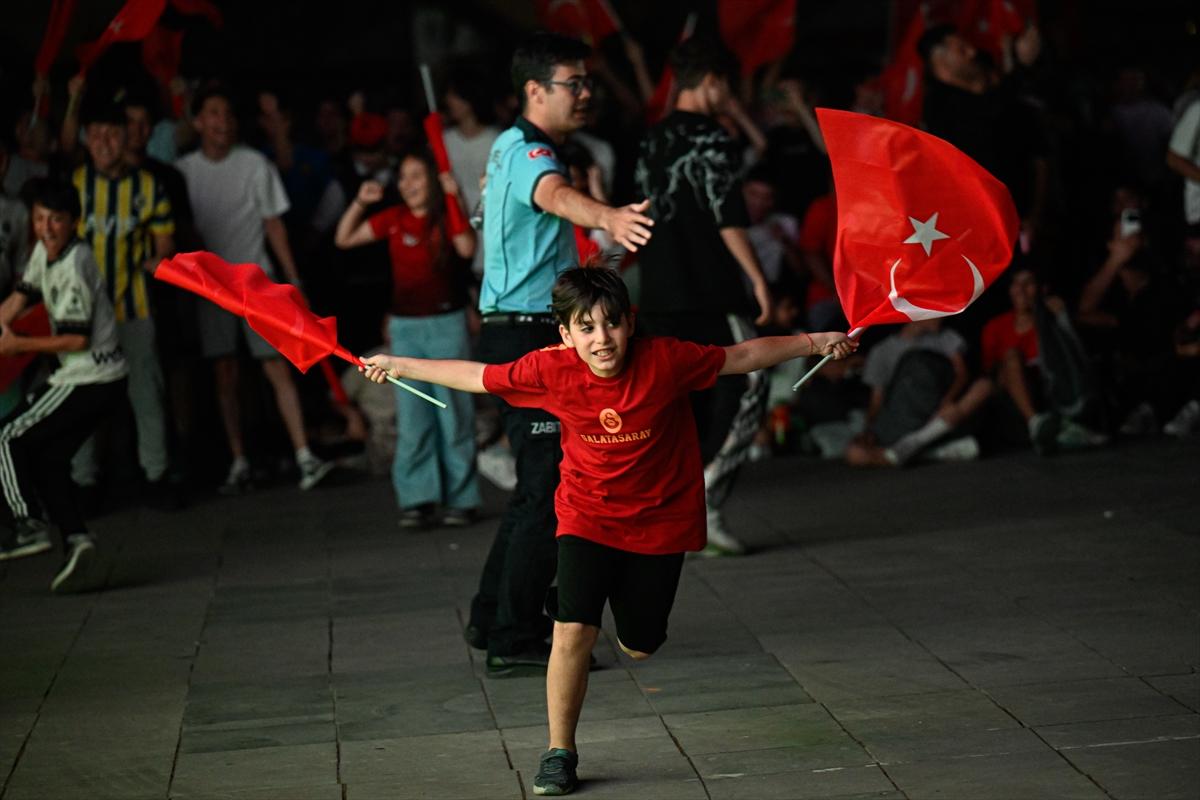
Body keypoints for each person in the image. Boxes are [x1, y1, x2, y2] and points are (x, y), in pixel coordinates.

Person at [359, 266, 856, 796]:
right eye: (586, 328)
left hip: (660, 521)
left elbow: (743, 356)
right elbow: (478, 375)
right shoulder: (550, 369)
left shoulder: (666, 360)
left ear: (630, 323)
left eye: (612, 324)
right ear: (565, 335)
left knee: (641, 645)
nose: (602, 339)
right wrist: (397, 364)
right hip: (586, 514)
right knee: (573, 630)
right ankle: (559, 752)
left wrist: (815, 341)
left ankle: (592, 598)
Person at [466, 31, 655, 678]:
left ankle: (491, 616)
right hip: (526, 333)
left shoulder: (509, 145)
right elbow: (554, 195)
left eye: (585, 82)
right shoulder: (531, 153)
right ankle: (514, 635)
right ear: (535, 90)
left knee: (538, 487)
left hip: (521, 327)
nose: (585, 93)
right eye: (573, 83)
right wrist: (607, 216)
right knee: (548, 491)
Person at [634, 36, 773, 556]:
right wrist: (756, 277)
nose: (729, 99)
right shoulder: (714, 137)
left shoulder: (651, 138)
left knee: (677, 402)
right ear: (712, 82)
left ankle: (672, 511)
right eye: (727, 88)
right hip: (711, 288)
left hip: (660, 290)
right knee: (752, 381)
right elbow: (727, 214)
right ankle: (706, 501)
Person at [174, 84, 332, 493]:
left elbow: (273, 225)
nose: (222, 122)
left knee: (276, 365)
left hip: (256, 282)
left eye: (227, 113)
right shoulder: (183, 171)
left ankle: (304, 455)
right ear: (197, 122)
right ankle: (239, 460)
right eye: (213, 113)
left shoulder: (255, 164)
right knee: (224, 372)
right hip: (212, 287)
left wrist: (293, 280)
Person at [335, 150, 480, 527]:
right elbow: (344, 238)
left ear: (432, 179)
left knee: (453, 412)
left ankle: (461, 499)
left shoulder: (445, 215)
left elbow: (467, 248)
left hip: (447, 324)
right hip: (405, 328)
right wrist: (360, 202)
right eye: (403, 177)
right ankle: (418, 499)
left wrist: (455, 197)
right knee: (413, 417)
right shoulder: (395, 218)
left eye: (416, 175)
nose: (408, 184)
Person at [0, 178, 128, 593]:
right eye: (40, 219)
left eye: (56, 220)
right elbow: (19, 298)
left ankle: (28, 525)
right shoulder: (45, 250)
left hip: (89, 377)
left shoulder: (75, 264)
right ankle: (76, 539)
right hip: (95, 378)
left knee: (7, 436)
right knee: (49, 461)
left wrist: (18, 345)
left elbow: (76, 340)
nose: (46, 228)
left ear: (74, 222)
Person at [69, 97, 175, 499]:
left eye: (112, 134)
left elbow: (165, 244)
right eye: (96, 135)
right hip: (83, 315)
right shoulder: (74, 185)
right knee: (83, 397)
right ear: (87, 140)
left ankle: (156, 476)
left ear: (125, 137)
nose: (104, 143)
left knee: (147, 393)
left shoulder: (147, 186)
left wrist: (155, 261)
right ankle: (83, 481)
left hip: (134, 308)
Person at [981, 267, 1107, 453]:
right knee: (1012, 356)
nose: (1021, 290)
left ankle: (1061, 431)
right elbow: (989, 372)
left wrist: (1062, 318)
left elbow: (1075, 358)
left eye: (1028, 283)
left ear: (1042, 289)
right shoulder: (995, 326)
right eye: (1016, 284)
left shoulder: (1049, 322)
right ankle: (1036, 423)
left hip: (1052, 392)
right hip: (1013, 397)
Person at [846, 319, 993, 467]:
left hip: (937, 413)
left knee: (984, 386)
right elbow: (876, 401)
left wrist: (946, 401)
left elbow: (962, 374)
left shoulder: (946, 337)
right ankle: (927, 451)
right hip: (901, 420)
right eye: (937, 313)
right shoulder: (882, 351)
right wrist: (868, 431)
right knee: (854, 453)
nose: (942, 317)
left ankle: (910, 447)